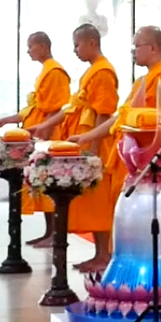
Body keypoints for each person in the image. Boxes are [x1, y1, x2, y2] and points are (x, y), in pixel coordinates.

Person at [75, 27, 161, 271]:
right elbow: (122, 119)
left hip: (151, 164)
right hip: (132, 160)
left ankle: (143, 265)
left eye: (138, 46)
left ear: (154, 48)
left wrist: (151, 159)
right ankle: (119, 260)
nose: (133, 52)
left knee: (145, 219)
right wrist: (86, 136)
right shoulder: (143, 80)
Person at [28, 24, 120, 271]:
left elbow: (104, 113)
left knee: (98, 202)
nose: (75, 50)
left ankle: (104, 255)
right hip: (84, 140)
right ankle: (99, 253)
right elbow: (72, 107)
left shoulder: (103, 72)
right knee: (90, 201)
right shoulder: (92, 72)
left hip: (95, 144)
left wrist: (94, 151)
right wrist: (45, 124)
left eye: (78, 44)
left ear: (92, 43)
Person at [0, 31, 72, 245]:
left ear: (44, 47)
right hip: (39, 131)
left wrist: (43, 136)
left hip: (49, 133)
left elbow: (55, 108)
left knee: (48, 181)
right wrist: (7, 120)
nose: (28, 51)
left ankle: (55, 233)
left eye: (32, 46)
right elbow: (34, 109)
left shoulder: (55, 72)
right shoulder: (46, 71)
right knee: (41, 182)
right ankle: (49, 232)